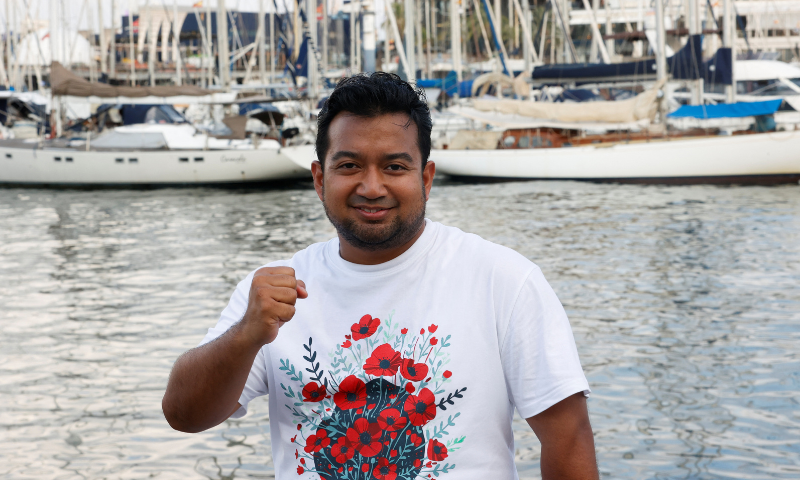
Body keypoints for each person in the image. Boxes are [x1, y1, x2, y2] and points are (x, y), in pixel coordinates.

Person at [163, 73, 597, 480]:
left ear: (426, 178)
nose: (372, 187)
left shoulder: (503, 281)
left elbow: (568, 437)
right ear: (319, 179)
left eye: (394, 167)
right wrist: (246, 335)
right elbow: (184, 415)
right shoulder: (271, 293)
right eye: (349, 166)